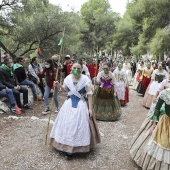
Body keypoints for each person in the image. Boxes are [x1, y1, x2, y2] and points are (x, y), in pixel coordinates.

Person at [50, 60, 100, 157]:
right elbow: (65, 90)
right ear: (71, 69)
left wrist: (90, 109)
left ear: (82, 69)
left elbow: (89, 94)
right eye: (74, 68)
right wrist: (58, 85)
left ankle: (78, 146)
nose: (76, 70)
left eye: (78, 68)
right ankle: (66, 145)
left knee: (79, 125)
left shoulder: (85, 80)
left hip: (81, 105)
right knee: (68, 124)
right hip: (68, 104)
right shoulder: (68, 78)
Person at [132, 88, 170, 169]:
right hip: (166, 123)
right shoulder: (166, 93)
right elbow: (157, 109)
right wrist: (154, 125)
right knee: (163, 144)